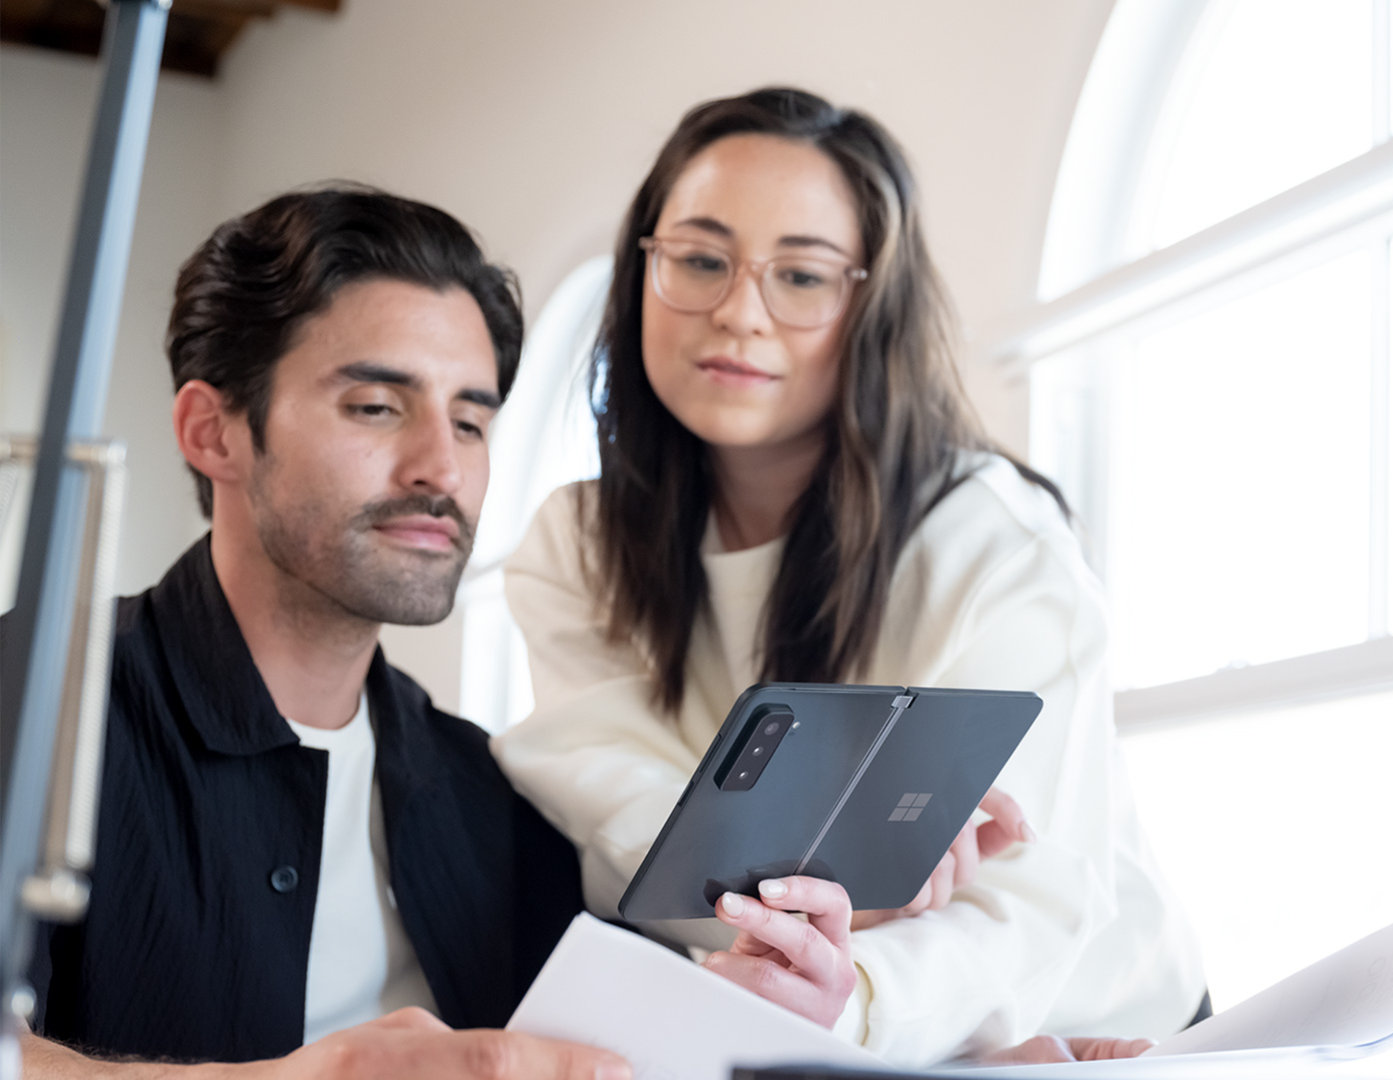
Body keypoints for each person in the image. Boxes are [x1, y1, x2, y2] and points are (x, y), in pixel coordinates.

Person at [491, 87, 1208, 1068]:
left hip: (1096, 1032)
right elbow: (631, 828)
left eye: (802, 275)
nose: (741, 313)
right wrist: (843, 894)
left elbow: (1031, 895)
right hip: (796, 1021)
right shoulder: (576, 544)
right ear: (640, 274)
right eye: (700, 261)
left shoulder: (988, 540)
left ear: (873, 304)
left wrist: (847, 984)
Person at [1, 186, 646, 1079]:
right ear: (212, 432)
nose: (442, 467)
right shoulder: (28, 698)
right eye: (377, 406)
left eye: (470, 421)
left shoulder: (498, 798)